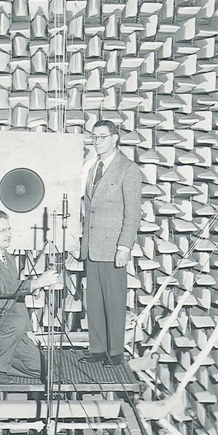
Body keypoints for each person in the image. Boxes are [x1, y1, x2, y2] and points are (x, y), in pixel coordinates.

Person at [0, 211, 61, 381]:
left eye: (9, 229)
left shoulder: (8, 258)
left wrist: (28, 329)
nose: (8, 234)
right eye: (2, 231)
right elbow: (2, 288)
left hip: (5, 327)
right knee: (16, 322)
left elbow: (16, 299)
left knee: (44, 369)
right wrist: (35, 283)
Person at [80, 120, 143, 367]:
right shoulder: (93, 167)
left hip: (113, 246)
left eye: (102, 137)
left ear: (115, 138)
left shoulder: (128, 169)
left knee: (114, 300)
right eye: (94, 137)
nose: (97, 141)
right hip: (93, 247)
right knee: (94, 300)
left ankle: (115, 352)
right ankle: (97, 349)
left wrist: (124, 246)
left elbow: (133, 213)